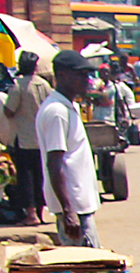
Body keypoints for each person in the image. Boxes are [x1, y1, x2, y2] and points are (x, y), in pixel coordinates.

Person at [40, 50, 103, 247]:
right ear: (62, 76)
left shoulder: (69, 107)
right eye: (80, 75)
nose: (87, 80)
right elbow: (54, 162)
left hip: (81, 205)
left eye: (88, 75)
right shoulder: (57, 112)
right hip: (74, 208)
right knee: (88, 268)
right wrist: (68, 211)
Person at [1, 51, 51, 226]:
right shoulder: (44, 85)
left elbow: (9, 110)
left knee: (26, 177)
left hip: (23, 138)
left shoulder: (18, 86)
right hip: (42, 138)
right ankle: (40, 212)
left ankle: (30, 214)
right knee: (40, 176)